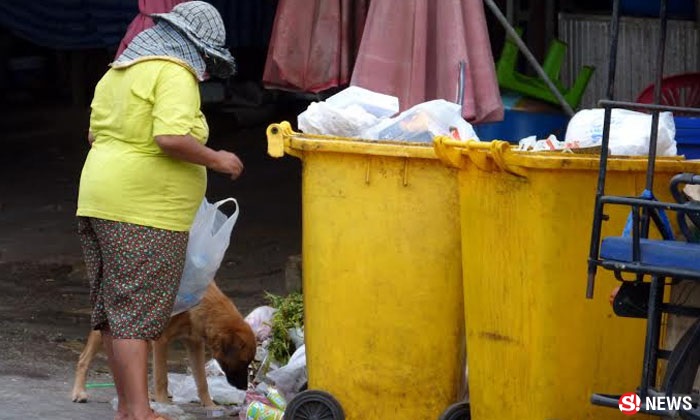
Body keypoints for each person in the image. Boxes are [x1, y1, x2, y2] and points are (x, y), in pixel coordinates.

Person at [76, 2, 241, 419]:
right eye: (204, 57)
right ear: (193, 46)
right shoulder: (174, 73)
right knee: (135, 313)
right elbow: (170, 136)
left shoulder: (118, 71)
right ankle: (141, 411)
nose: (202, 67)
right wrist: (218, 159)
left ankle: (130, 409)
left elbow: (96, 135)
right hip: (143, 210)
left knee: (116, 311)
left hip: (98, 199)